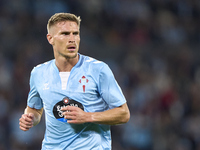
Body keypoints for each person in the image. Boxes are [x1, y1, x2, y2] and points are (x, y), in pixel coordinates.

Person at [19, 12, 130, 150]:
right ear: (50, 38)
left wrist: (88, 117)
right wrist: (29, 119)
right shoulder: (38, 73)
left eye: (75, 33)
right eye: (65, 34)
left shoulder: (98, 69)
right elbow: (35, 109)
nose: (72, 39)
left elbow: (123, 113)